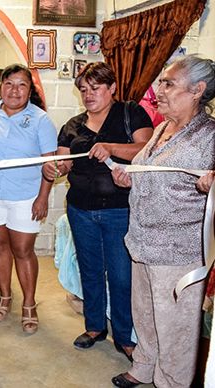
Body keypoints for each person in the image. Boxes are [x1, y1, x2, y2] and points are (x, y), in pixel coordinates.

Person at [110, 56, 215, 388]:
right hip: (142, 241)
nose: (160, 89)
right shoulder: (161, 127)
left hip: (179, 250)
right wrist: (131, 178)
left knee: (175, 324)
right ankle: (144, 365)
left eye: (169, 83)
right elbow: (152, 171)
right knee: (146, 312)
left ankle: (171, 382)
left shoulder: (210, 136)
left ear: (197, 90)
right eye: (161, 82)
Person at [42, 62, 153, 361]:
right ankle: (94, 327)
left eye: (96, 88)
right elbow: (64, 164)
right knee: (90, 270)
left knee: (120, 275)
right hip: (80, 208)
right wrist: (54, 168)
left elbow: (147, 150)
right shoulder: (73, 126)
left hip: (120, 209)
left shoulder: (131, 113)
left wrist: (111, 147)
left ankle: (124, 334)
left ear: (112, 87)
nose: (89, 95)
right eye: (84, 89)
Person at [0, 64, 56, 334]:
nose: (14, 90)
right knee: (0, 248)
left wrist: (43, 197)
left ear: (30, 90)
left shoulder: (41, 120)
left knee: (23, 251)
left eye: (22, 85)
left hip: (25, 196)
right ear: (0, 86)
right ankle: (5, 296)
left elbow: (50, 165)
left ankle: (29, 304)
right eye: (9, 83)